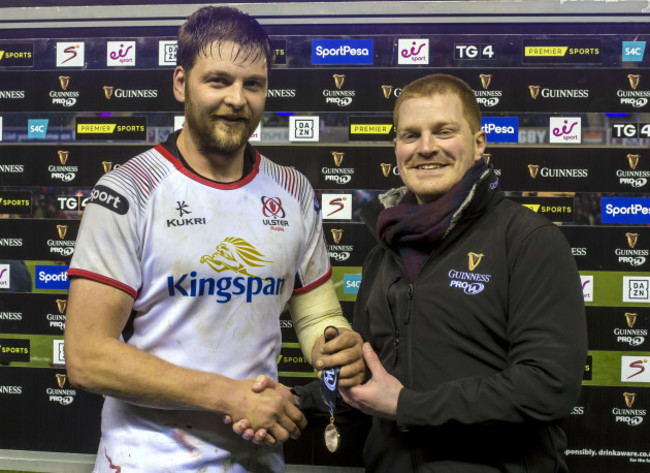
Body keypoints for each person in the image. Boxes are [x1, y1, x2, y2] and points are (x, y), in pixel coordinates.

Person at [64, 6, 363, 473]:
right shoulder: (129, 191)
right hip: (146, 460)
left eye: (253, 84)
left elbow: (318, 313)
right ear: (181, 82)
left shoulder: (294, 191)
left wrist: (334, 346)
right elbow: (86, 356)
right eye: (218, 81)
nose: (237, 99)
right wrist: (229, 395)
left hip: (257, 457)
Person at [338, 73, 588, 472]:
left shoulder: (527, 239)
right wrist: (295, 402)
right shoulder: (383, 253)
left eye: (443, 131)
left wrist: (407, 407)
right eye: (410, 135)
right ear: (396, 149)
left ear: (479, 143)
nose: (425, 147)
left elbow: (548, 386)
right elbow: (371, 380)